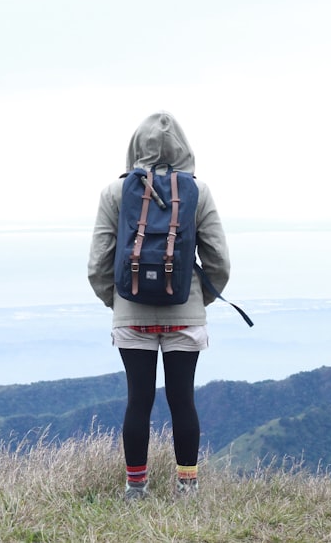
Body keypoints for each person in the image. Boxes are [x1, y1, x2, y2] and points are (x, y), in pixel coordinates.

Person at [87, 111, 231, 499]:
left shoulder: (114, 193)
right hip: (185, 313)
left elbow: (98, 262)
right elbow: (219, 259)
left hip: (130, 314)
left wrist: (117, 302)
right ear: (185, 148)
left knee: (139, 399)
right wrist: (200, 299)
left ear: (135, 146)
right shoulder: (198, 192)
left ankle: (136, 488)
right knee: (182, 399)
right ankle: (188, 488)